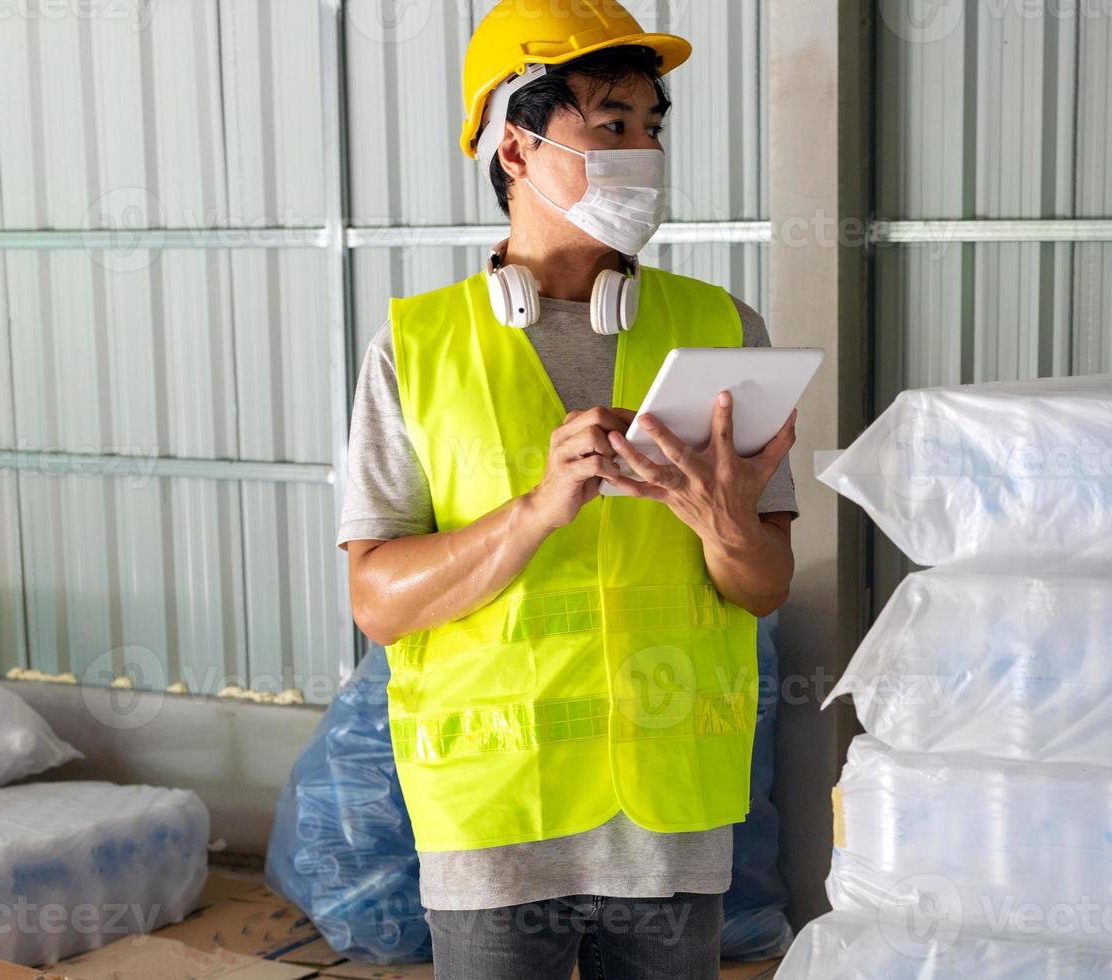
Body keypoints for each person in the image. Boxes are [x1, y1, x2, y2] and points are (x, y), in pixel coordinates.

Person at [336, 2, 796, 977]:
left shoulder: (721, 330)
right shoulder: (415, 348)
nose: (642, 151)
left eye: (651, 126)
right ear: (515, 145)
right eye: (610, 124)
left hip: (669, 819)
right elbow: (376, 602)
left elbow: (762, 584)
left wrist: (725, 525)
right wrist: (537, 507)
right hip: (494, 820)